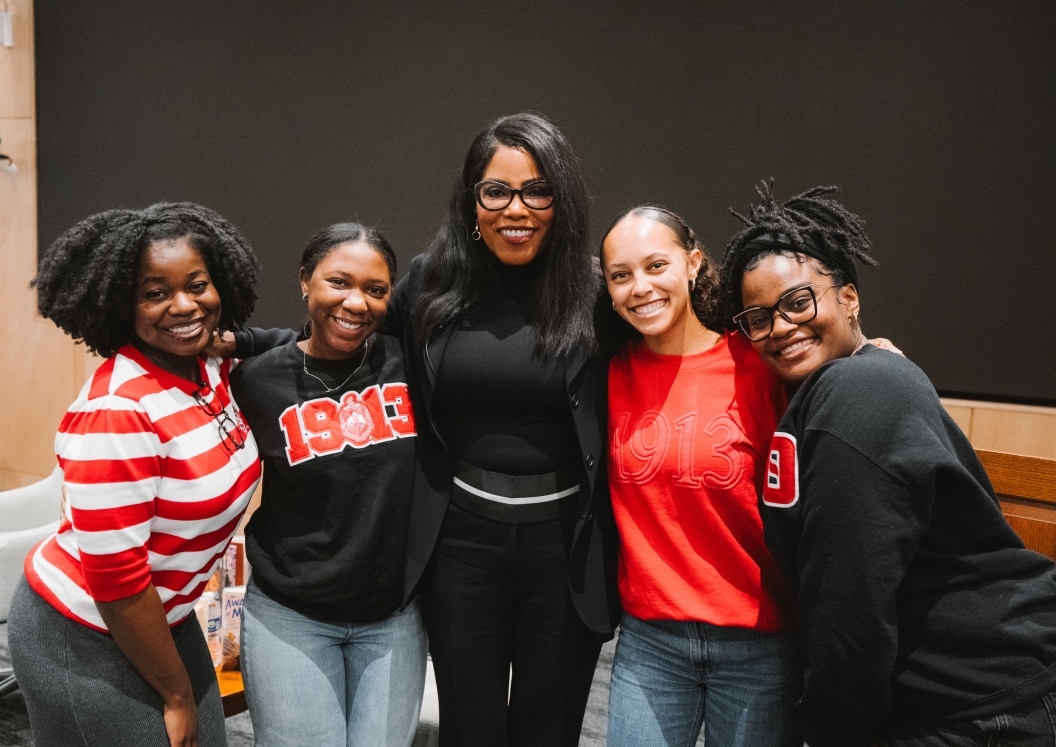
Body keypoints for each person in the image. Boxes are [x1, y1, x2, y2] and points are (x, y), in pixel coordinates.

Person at [228, 112, 620, 745]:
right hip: (460, 542)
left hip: (563, 546)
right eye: (496, 191)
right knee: (473, 725)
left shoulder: (595, 292)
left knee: (549, 727)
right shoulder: (434, 279)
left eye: (536, 190)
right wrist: (250, 342)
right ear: (472, 201)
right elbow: (347, 339)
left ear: (560, 200)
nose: (515, 209)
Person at [720, 182, 1056, 747]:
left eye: (798, 302)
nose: (779, 327)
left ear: (849, 298)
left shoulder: (859, 390)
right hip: (955, 695)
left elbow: (849, 601)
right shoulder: (851, 383)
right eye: (758, 318)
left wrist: (828, 731)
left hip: (980, 704)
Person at [8, 203, 263, 747]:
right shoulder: (117, 412)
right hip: (85, 630)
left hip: (165, 615)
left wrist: (240, 340)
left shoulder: (210, 368)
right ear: (122, 304)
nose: (184, 306)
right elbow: (117, 580)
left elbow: (288, 348)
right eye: (155, 293)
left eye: (198, 285)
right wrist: (175, 695)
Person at [600, 206, 800, 747]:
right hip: (650, 644)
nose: (640, 287)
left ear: (692, 264)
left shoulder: (759, 363)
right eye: (621, 275)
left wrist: (870, 352)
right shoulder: (608, 371)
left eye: (656, 265)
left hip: (759, 642)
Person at [227, 224, 427, 747]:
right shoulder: (255, 381)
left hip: (393, 619)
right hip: (290, 615)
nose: (356, 302)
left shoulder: (410, 363)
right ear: (304, 282)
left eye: (376, 290)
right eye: (338, 282)